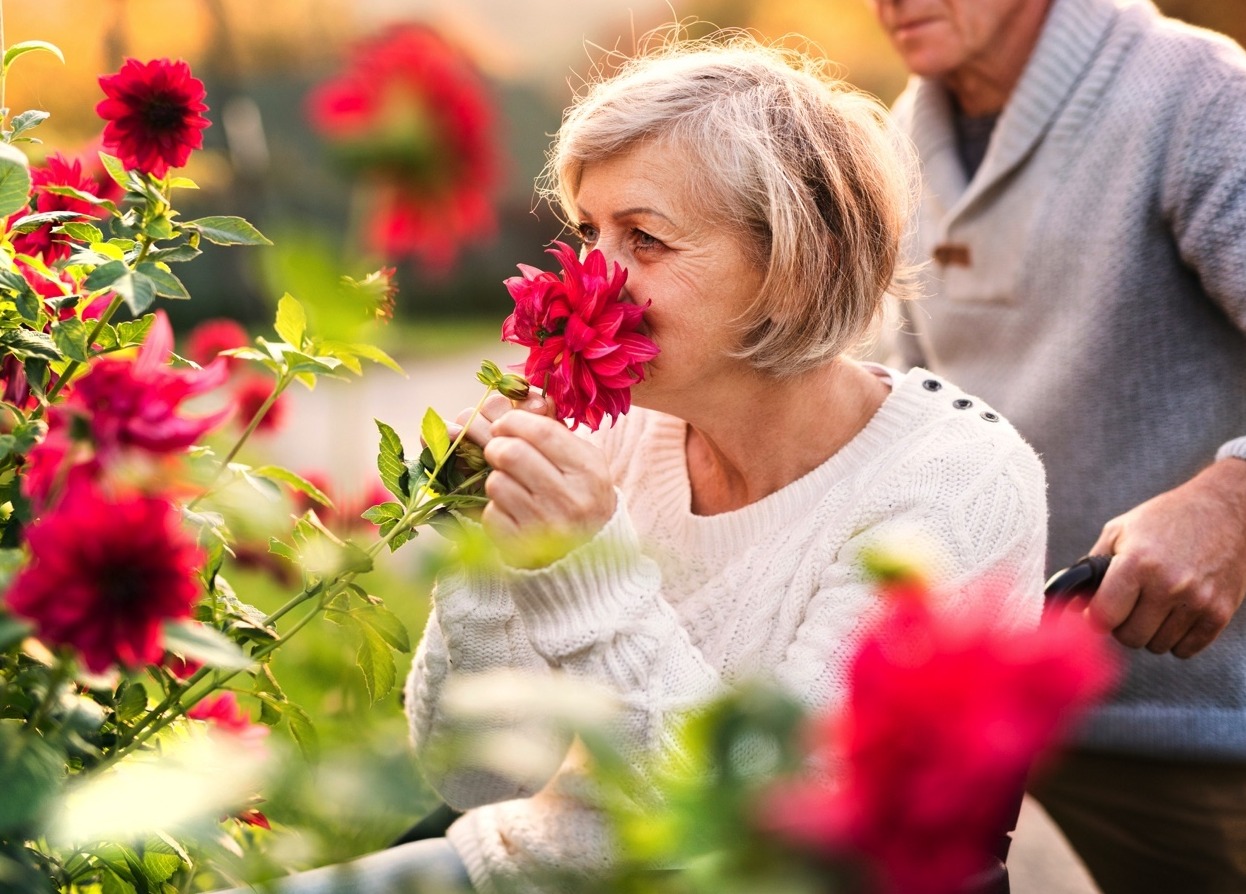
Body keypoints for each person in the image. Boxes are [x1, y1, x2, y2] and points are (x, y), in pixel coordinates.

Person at [218, 34, 1047, 894]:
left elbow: (765, 834)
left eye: (645, 240)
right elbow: (471, 777)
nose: (590, 277)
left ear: (796, 270)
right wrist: (490, 556)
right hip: (523, 867)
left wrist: (589, 569)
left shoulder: (954, 484)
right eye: (587, 232)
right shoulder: (611, 431)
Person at [868, 1, 1246, 891]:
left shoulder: (1197, 97)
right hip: (1005, 712)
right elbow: (913, 413)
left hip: (1206, 732)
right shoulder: (899, 136)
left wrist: (1233, 498)